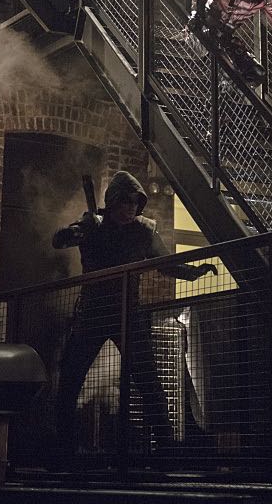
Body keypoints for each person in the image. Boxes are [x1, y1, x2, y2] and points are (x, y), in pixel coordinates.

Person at [52, 171, 217, 457]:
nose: (130, 208)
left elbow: (166, 264)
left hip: (128, 314)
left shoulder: (143, 231)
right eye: (125, 201)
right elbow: (59, 241)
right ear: (114, 201)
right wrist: (77, 232)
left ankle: (165, 450)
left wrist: (193, 272)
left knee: (149, 382)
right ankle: (64, 449)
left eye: (134, 202)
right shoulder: (92, 224)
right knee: (69, 379)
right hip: (93, 313)